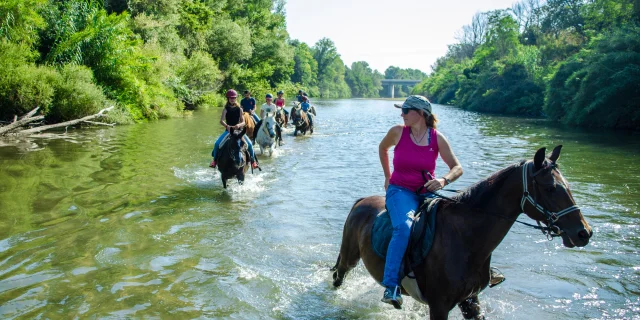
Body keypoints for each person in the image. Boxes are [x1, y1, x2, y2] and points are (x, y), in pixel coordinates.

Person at [378, 95, 463, 309]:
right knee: (404, 228)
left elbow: (457, 167)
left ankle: (479, 273)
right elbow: (383, 148)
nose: (402, 114)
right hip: (400, 191)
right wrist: (388, 177)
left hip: (427, 192)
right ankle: (391, 286)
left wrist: (443, 180)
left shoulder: (437, 138)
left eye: (406, 110)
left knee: (457, 222)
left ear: (421, 113)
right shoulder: (398, 132)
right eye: (402, 110)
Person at [210, 89, 258, 169]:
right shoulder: (225, 109)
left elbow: (243, 122)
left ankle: (253, 162)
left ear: (236, 98)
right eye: (231, 98)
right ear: (228, 99)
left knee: (249, 145)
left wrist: (239, 125)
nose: (232, 99)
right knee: (217, 144)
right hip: (228, 131)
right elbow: (221, 120)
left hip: (238, 131)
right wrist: (227, 126)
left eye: (234, 98)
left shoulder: (239, 109)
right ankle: (214, 161)